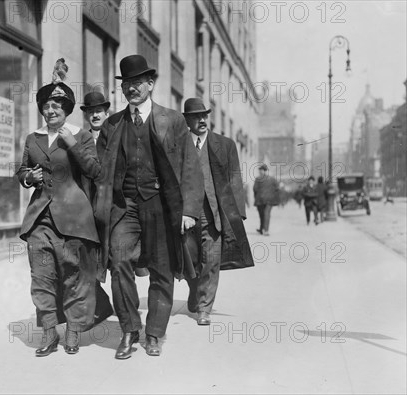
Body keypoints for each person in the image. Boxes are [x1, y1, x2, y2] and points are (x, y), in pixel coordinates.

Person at [94, 55, 203, 358]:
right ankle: (129, 329)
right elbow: (100, 170)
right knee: (118, 262)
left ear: (150, 84)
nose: (132, 88)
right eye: (127, 83)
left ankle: (154, 333)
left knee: (162, 270)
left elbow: (190, 168)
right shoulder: (113, 124)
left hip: (161, 204)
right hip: (124, 205)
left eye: (137, 83)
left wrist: (190, 211)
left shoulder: (173, 120)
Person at [15, 59, 110, 356]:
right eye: (46, 105)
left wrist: (73, 145)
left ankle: (72, 330)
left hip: (75, 218)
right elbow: (22, 170)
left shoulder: (79, 135)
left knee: (74, 277)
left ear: (66, 109)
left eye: (57, 105)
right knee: (41, 277)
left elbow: (96, 171)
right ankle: (47, 334)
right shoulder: (33, 138)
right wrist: (28, 177)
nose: (51, 110)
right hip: (40, 218)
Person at [181, 98, 254, 326]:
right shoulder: (178, 145)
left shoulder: (225, 144)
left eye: (204, 115)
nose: (202, 120)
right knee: (189, 260)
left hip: (214, 213)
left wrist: (236, 214)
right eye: (196, 116)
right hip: (186, 214)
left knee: (211, 260)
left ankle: (204, 308)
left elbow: (235, 178)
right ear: (187, 120)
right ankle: (195, 291)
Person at [253, 164, 279, 236]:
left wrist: (256, 198)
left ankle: (263, 229)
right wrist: (273, 195)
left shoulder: (258, 179)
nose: (260, 172)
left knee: (262, 214)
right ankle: (264, 229)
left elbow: (255, 189)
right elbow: (277, 188)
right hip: (270, 200)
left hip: (260, 199)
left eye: (260, 170)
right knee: (266, 214)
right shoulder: (272, 179)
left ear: (264, 171)